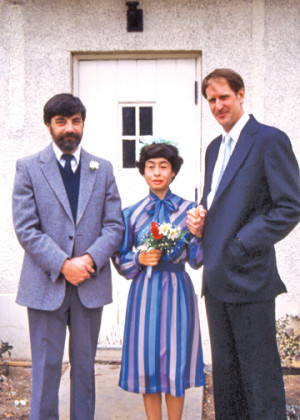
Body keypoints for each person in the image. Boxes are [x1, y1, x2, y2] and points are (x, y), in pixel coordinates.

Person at [187, 68, 300, 419]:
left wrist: (241, 242)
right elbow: (220, 202)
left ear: (240, 95)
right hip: (217, 281)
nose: (218, 105)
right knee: (227, 378)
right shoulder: (213, 149)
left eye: (223, 97)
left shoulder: (268, 140)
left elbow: (291, 205)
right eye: (211, 100)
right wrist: (201, 221)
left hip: (250, 278)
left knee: (259, 378)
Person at [12, 93, 124, 420]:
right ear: (49, 125)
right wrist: (63, 264)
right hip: (45, 285)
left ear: (83, 123)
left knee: (85, 370)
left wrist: (87, 261)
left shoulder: (101, 169)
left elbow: (115, 225)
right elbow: (26, 227)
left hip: (89, 285)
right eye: (61, 122)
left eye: (75, 121)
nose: (69, 128)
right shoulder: (29, 168)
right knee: (46, 372)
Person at [112, 141, 205, 420]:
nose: (156, 172)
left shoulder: (190, 211)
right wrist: (139, 260)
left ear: (173, 172)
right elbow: (119, 257)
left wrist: (198, 233)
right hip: (145, 293)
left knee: (175, 361)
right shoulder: (131, 214)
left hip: (178, 291)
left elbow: (198, 260)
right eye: (150, 166)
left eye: (163, 166)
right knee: (147, 360)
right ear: (142, 172)